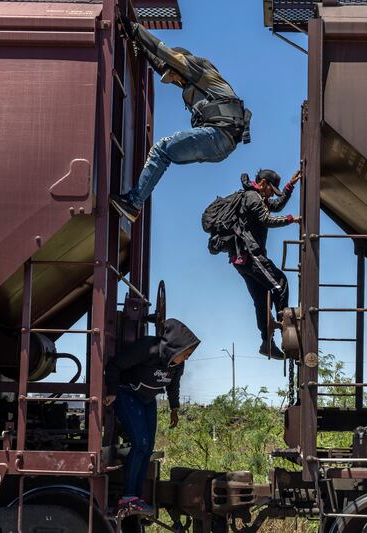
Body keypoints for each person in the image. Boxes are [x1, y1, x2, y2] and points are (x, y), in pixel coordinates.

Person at [111, 14, 251, 223]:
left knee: (161, 149)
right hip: (220, 142)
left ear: (181, 66)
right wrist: (140, 47)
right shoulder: (190, 82)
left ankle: (134, 203)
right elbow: (161, 62)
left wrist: (134, 29)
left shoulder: (198, 69)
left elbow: (164, 53)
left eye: (173, 74)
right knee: (165, 153)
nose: (173, 80)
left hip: (218, 135)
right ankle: (134, 202)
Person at [103, 319, 200, 516]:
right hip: (127, 393)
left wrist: (174, 408)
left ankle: (136, 498)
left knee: (148, 447)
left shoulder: (176, 366)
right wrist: (112, 391)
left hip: (148, 400)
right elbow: (114, 365)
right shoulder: (149, 348)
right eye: (186, 353)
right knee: (140, 443)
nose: (187, 358)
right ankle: (127, 499)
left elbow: (173, 386)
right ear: (175, 346)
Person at [231, 169, 301, 359]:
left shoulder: (256, 197)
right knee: (280, 283)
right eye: (271, 190)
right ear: (262, 183)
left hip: (242, 259)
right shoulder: (252, 197)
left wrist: (290, 186)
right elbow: (266, 218)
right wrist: (290, 220)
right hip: (251, 254)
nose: (271, 194)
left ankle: (266, 343)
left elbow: (275, 207)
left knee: (262, 299)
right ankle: (286, 329)